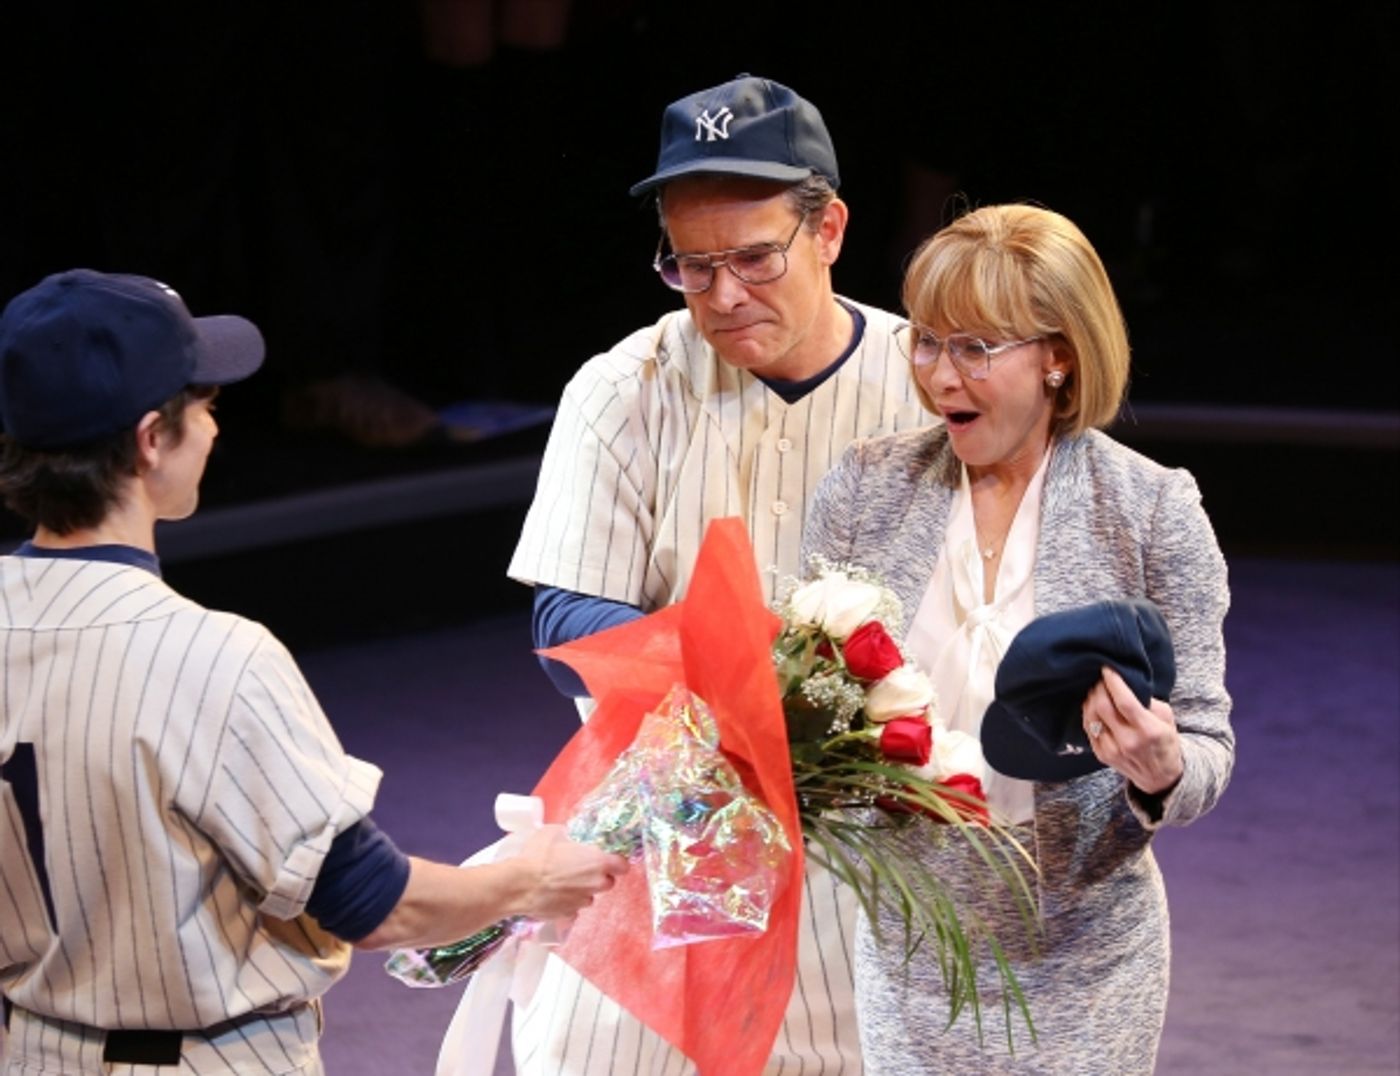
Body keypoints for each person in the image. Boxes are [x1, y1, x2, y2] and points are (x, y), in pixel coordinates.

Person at [0, 269, 627, 1074]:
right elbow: (374, 905)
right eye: (206, 405)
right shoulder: (213, 654)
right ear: (152, 438)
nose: (216, 429)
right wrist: (530, 880)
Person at [504, 75, 929, 1073]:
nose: (723, 295)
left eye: (752, 257)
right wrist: (742, 703)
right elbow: (565, 612)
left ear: (828, 229)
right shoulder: (624, 385)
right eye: (690, 265)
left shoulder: (928, 383)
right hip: (661, 840)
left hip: (878, 854)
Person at [801, 203, 1234, 1073]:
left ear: (1058, 357)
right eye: (926, 340)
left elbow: (1207, 747)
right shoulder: (862, 489)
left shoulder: (1153, 511)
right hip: (912, 954)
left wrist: (1163, 768)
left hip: (1086, 964)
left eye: (974, 349)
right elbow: (811, 703)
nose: (939, 376)